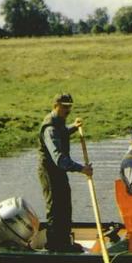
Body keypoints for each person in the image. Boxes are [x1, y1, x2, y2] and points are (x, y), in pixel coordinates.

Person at [37, 93, 93, 252]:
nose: (68, 110)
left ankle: (65, 241)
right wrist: (82, 169)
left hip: (59, 170)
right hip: (49, 170)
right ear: (55, 106)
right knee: (55, 207)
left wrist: (73, 128)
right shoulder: (49, 128)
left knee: (65, 205)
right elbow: (59, 158)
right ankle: (55, 246)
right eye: (64, 107)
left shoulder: (59, 122)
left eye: (70, 106)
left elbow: (62, 133)